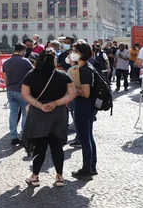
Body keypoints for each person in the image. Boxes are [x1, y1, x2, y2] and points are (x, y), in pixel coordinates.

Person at [21, 50, 76, 187]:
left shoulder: (31, 75)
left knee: (39, 146)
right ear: (55, 61)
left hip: (38, 114)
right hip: (58, 113)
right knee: (57, 146)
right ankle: (59, 177)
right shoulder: (63, 75)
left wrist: (40, 105)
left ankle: (35, 176)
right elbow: (72, 93)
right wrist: (55, 103)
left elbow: (25, 94)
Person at [70, 42, 99, 180]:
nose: (71, 53)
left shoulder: (84, 70)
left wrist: (71, 89)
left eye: (74, 50)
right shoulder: (87, 66)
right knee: (88, 137)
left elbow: (86, 92)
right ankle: (91, 167)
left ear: (80, 53)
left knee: (85, 138)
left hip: (84, 105)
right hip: (89, 106)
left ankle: (87, 169)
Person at [2, 43, 33, 145]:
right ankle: (24, 135)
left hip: (10, 90)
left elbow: (5, 78)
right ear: (23, 51)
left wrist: (8, 88)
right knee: (25, 113)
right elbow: (34, 73)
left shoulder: (6, 63)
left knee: (13, 114)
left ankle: (13, 136)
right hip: (22, 91)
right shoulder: (25, 61)